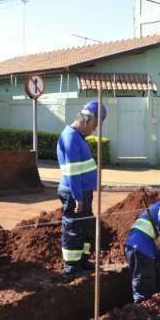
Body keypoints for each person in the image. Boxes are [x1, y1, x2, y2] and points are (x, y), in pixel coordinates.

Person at [57, 101, 107, 280]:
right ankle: (71, 268)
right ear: (87, 120)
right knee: (73, 228)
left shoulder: (78, 137)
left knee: (85, 226)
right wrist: (78, 197)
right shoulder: (70, 137)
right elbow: (72, 173)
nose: (94, 130)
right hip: (73, 193)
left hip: (83, 192)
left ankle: (82, 261)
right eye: (95, 125)